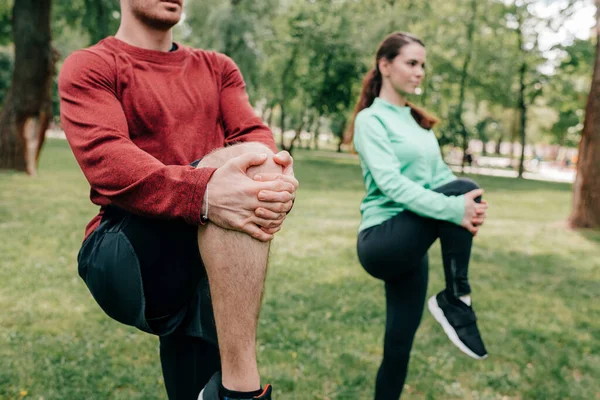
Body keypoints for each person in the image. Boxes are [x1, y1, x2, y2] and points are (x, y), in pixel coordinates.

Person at [58, 1, 298, 399]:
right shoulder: (91, 65)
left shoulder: (218, 68)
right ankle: (241, 391)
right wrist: (204, 190)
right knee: (231, 164)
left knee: (248, 166)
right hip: (124, 251)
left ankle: (219, 389)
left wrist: (274, 181)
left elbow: (254, 134)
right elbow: (107, 159)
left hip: (204, 244)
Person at [348, 32, 489, 399]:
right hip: (382, 240)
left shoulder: (416, 121)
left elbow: (441, 177)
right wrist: (454, 207)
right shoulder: (370, 120)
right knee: (461, 191)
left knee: (398, 347)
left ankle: (454, 301)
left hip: (412, 247)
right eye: (411, 63)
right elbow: (391, 184)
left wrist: (470, 205)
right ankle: (457, 298)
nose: (419, 71)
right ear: (385, 65)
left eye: (422, 64)